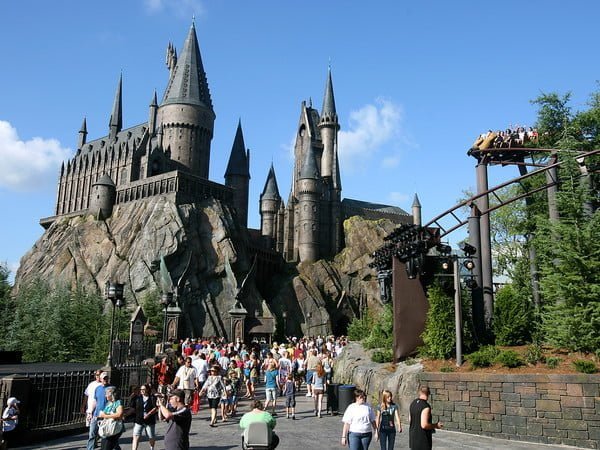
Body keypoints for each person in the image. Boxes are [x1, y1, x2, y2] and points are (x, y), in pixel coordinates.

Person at [409, 386, 442, 450]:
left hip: (413, 439)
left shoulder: (413, 403)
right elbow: (424, 425)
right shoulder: (425, 406)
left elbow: (410, 420)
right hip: (423, 440)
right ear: (428, 393)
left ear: (419, 392)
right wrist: (436, 425)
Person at [87, 372, 110, 450]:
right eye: (104, 378)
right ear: (100, 379)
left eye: (107, 378)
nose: (105, 380)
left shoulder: (111, 388)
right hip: (96, 415)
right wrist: (90, 412)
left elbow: (115, 402)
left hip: (106, 415)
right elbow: (95, 401)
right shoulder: (97, 388)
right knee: (92, 434)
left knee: (105, 435)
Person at [131, 384, 158, 450]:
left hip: (149, 421)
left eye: (143, 389)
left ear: (147, 390)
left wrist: (148, 414)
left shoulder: (152, 398)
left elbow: (155, 408)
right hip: (139, 420)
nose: (142, 391)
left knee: (151, 436)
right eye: (141, 389)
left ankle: (152, 447)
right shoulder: (137, 398)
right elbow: (132, 408)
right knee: (136, 436)